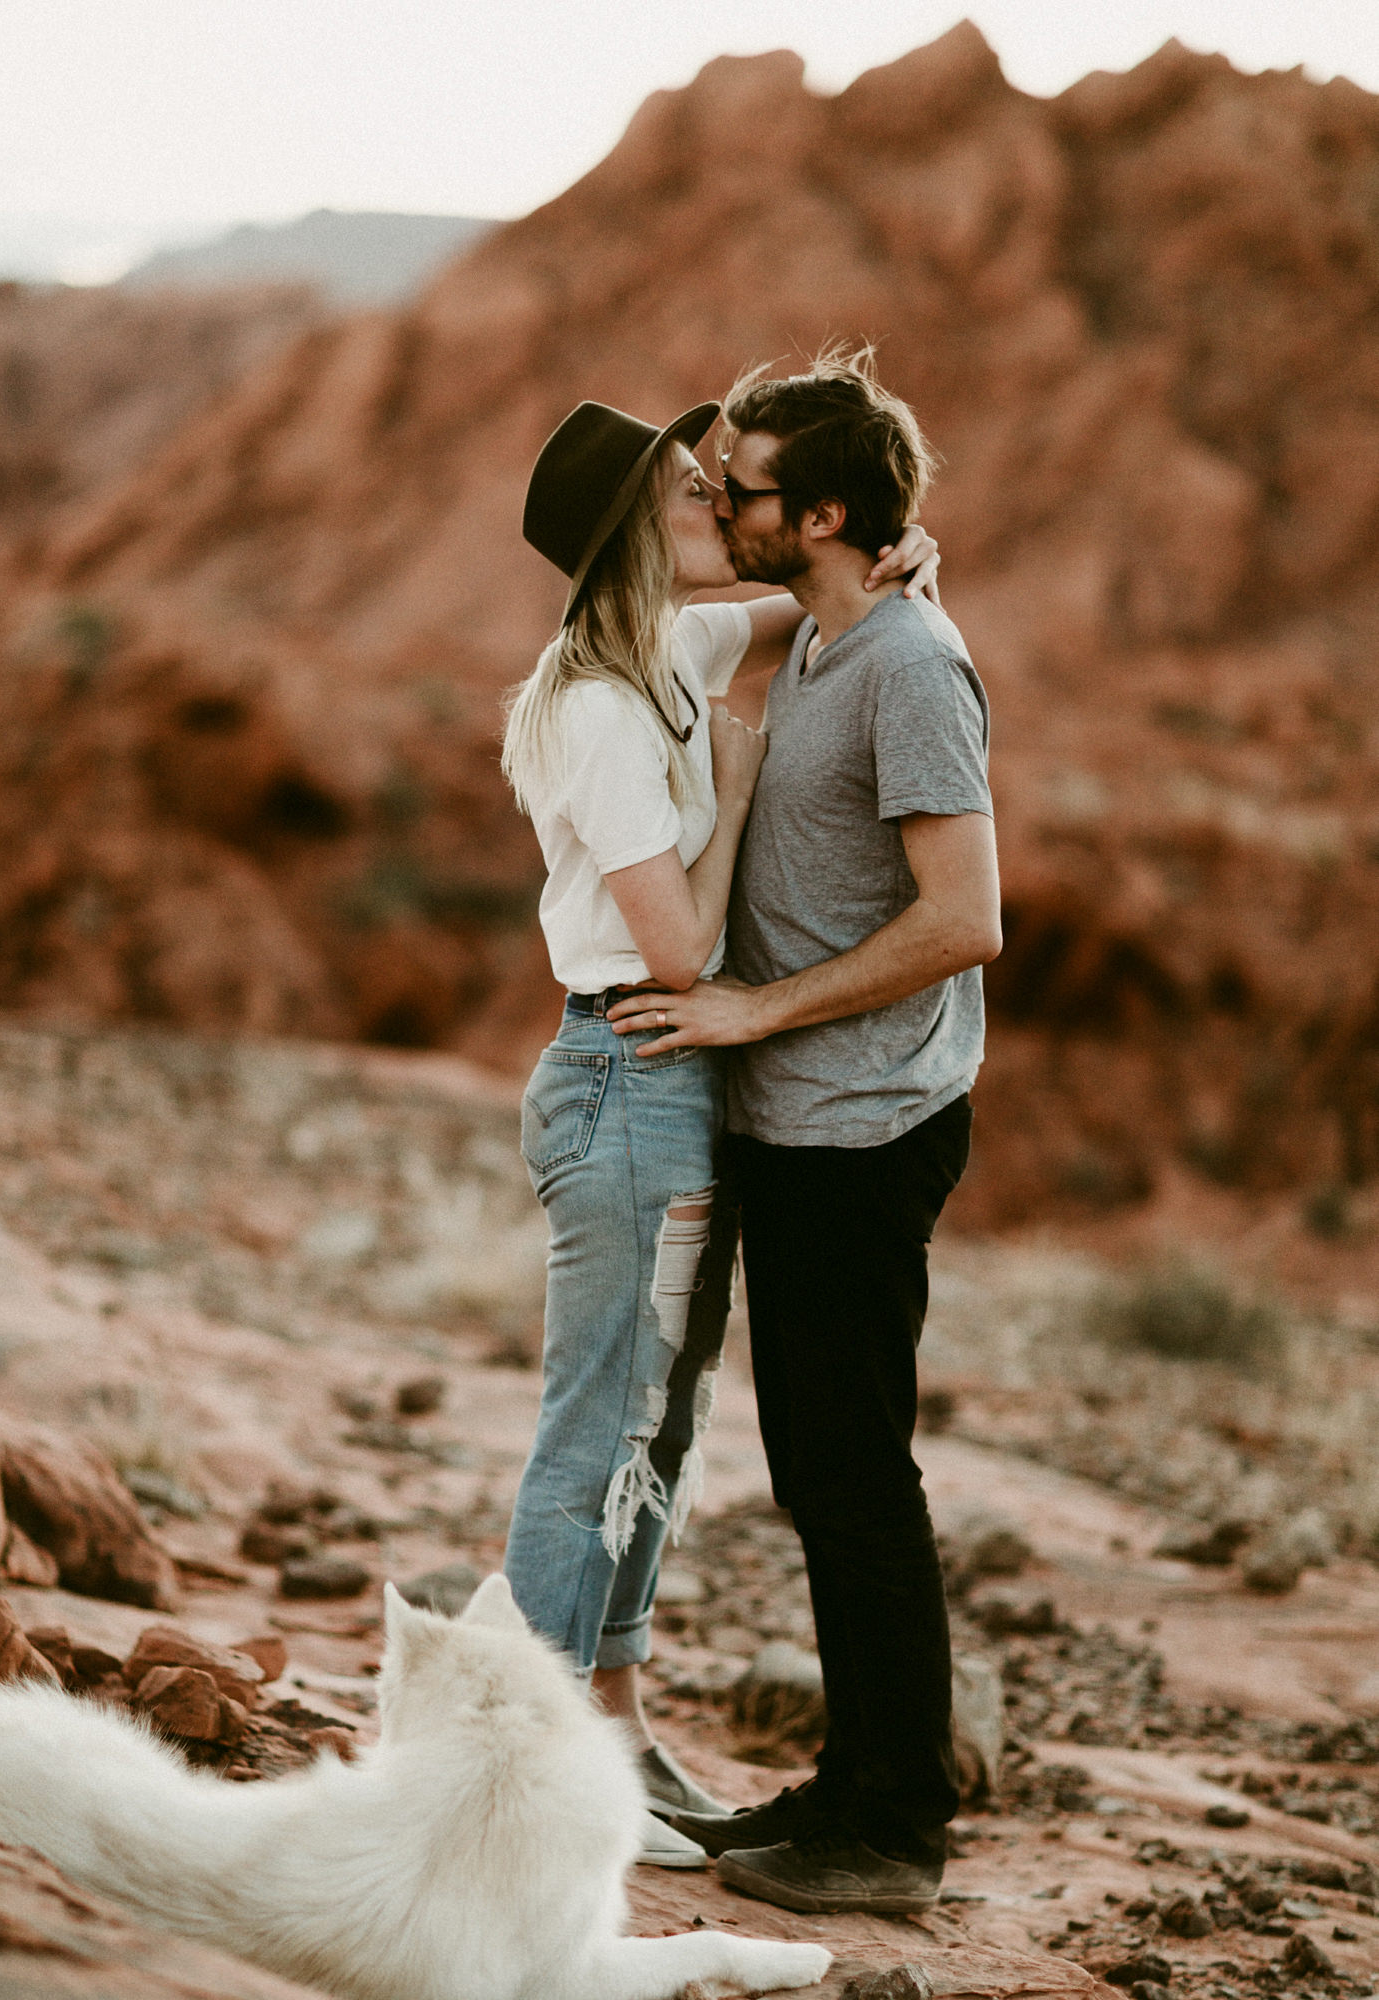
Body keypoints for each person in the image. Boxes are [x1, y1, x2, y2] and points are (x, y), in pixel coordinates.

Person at [502, 395, 938, 1868]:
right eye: (693, 489)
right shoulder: (597, 705)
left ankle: (613, 1732)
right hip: (631, 1068)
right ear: (638, 529)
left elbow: (788, 605)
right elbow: (683, 955)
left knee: (661, 1426)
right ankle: (527, 1768)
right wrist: (742, 793)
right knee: (596, 1429)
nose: (718, 501)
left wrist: (891, 556)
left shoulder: (669, 650)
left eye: (721, 482)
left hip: (679, 1089)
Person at [609, 348, 1001, 1915]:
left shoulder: (905, 661)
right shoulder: (835, 629)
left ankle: (895, 1829)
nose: (722, 500)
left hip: (861, 1124)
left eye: (748, 486)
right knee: (825, 1472)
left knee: (855, 1479)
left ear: (824, 510)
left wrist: (758, 1015)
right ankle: (857, 1784)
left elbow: (968, 916)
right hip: (804, 1122)